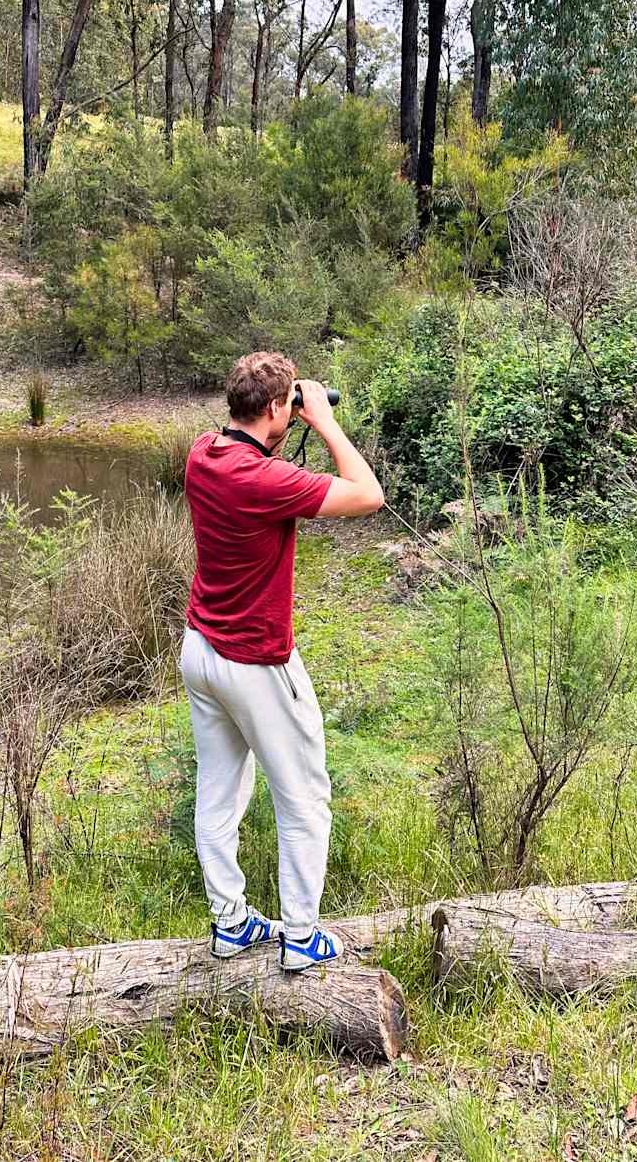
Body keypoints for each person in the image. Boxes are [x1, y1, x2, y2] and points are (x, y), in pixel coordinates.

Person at [179, 351, 384, 972]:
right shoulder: (265, 482)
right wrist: (321, 420)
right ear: (276, 408)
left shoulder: (202, 453)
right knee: (303, 798)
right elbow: (368, 495)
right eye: (288, 401)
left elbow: (253, 449)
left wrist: (284, 414)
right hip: (257, 662)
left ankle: (231, 923)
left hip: (201, 650)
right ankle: (300, 938)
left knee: (219, 794)